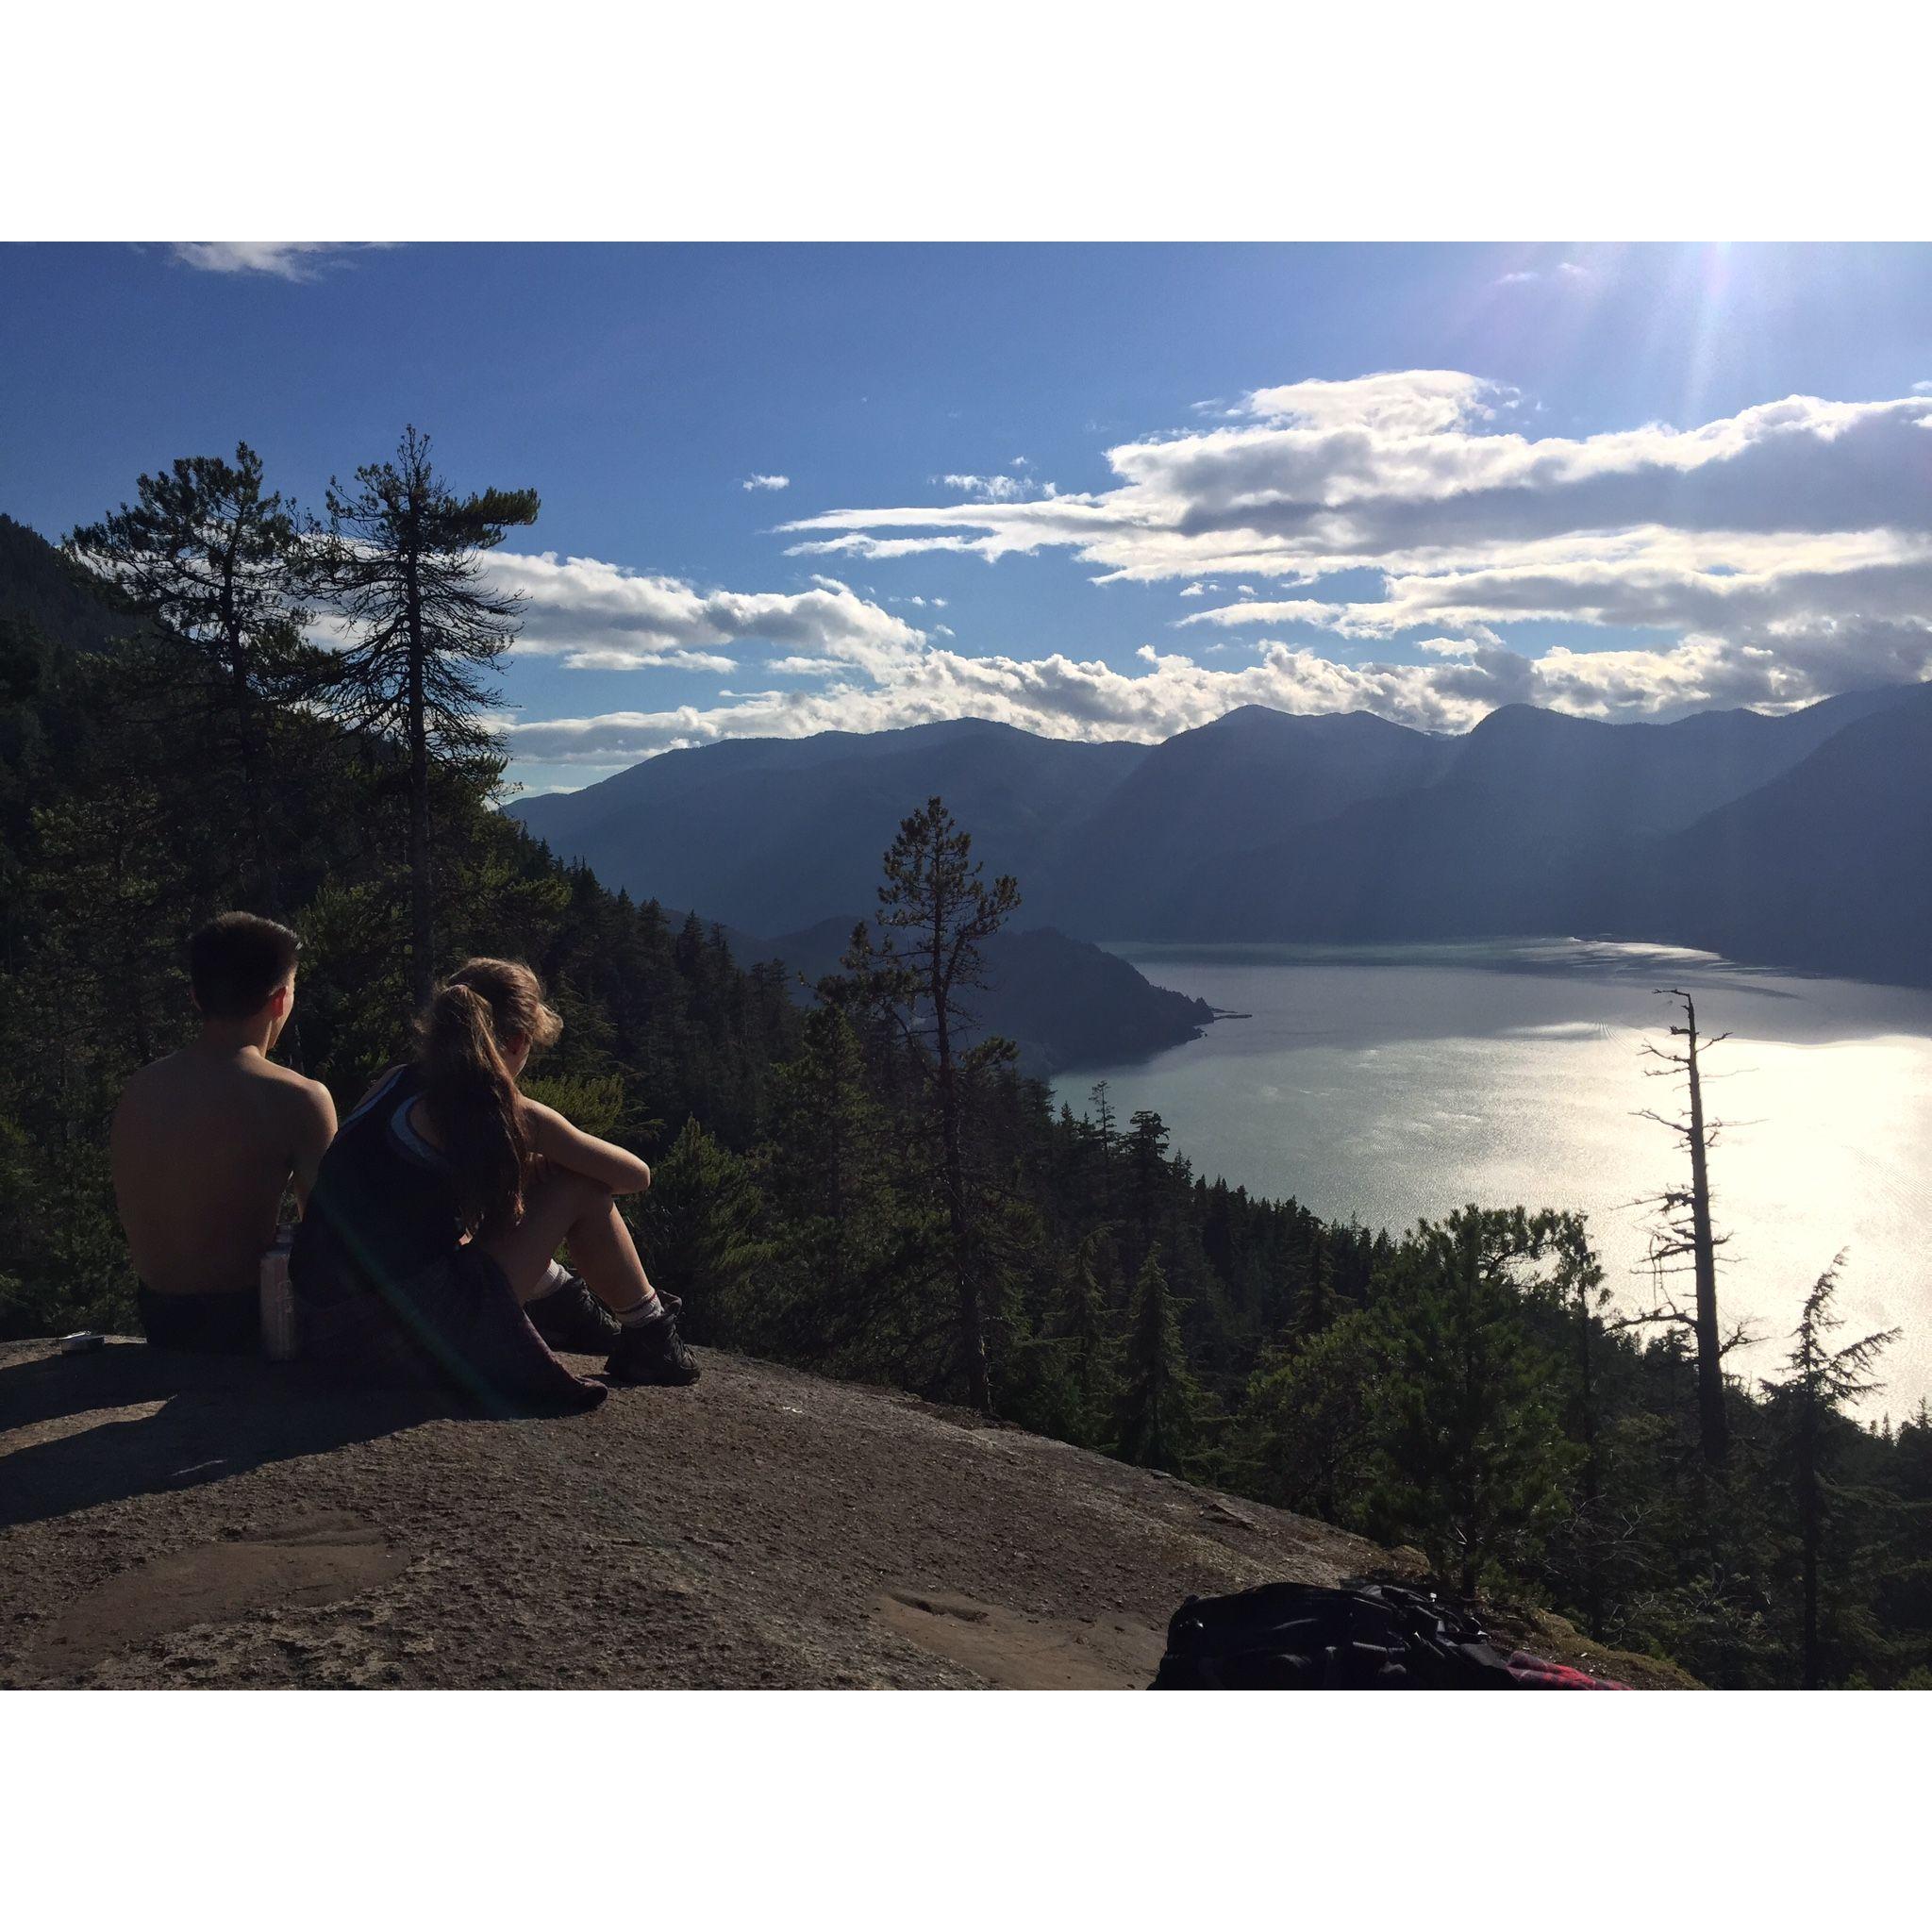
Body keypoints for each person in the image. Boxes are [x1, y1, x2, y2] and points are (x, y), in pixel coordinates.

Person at [291, 957, 698, 1407]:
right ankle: (650, 1333)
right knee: (580, 1186)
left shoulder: (395, 1082)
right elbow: (635, 1176)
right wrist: (549, 1156)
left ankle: (561, 1302)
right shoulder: (506, 1111)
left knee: (499, 1211)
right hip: (395, 1338)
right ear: (520, 1041)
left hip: (321, 1327)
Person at [111, 912, 338, 1353]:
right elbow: (328, 1236)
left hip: (159, 1318)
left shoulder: (141, 1087)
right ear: (280, 1000)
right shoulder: (299, 1098)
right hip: (251, 1323)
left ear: (197, 998)